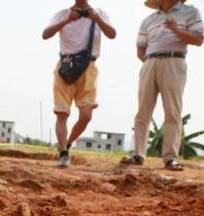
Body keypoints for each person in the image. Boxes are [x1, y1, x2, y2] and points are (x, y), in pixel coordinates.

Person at [122, 0, 203, 171]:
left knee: (172, 111)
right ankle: (138, 154)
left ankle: (170, 157)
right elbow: (140, 49)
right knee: (143, 111)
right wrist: (150, 63)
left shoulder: (190, 12)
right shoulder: (148, 20)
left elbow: (198, 39)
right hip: (150, 61)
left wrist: (176, 30)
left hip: (175, 60)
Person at [43, 1, 116, 168]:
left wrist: (98, 20)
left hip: (89, 67)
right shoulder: (62, 14)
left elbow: (112, 34)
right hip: (65, 65)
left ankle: (67, 144)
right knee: (62, 113)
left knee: (86, 116)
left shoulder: (100, 13)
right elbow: (45, 34)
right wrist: (67, 20)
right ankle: (63, 153)